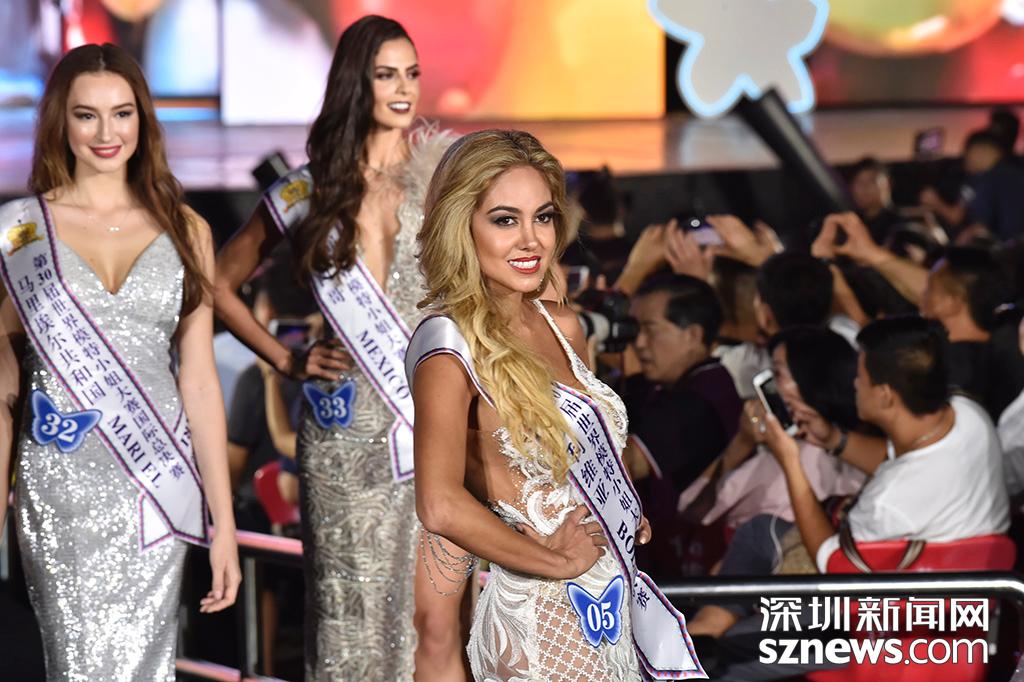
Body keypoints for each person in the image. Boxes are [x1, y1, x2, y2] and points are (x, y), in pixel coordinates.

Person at [212, 16, 463, 681]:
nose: (404, 88)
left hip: (426, 422)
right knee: (346, 617)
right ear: (357, 83)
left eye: (412, 73)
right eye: (386, 75)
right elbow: (217, 283)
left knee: (430, 621)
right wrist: (286, 359)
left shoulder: (443, 180)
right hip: (341, 431)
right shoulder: (307, 190)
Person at [407, 129, 704, 681]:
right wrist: (555, 560)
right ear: (461, 225)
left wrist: (618, 506)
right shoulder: (447, 345)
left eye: (542, 217)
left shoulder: (562, 325)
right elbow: (439, 504)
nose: (531, 241)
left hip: (611, 595)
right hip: (540, 618)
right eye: (505, 220)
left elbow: (583, 452)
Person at [0, 43, 239, 680]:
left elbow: (199, 382)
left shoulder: (187, 229)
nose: (107, 133)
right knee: (79, 663)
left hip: (157, 481)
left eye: (122, 113)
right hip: (62, 484)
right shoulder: (21, 230)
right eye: (87, 115)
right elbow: (3, 380)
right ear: (61, 122)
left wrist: (222, 523)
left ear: (143, 120)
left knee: (148, 664)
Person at [758, 317, 1008, 576]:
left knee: (758, 541)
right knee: (759, 531)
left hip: (910, 596)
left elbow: (830, 561)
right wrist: (833, 439)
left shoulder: (887, 502)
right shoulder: (970, 414)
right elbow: (901, 464)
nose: (854, 383)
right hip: (977, 580)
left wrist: (790, 462)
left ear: (885, 395)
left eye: (861, 376)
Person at [622, 273, 742, 578]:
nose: (638, 343)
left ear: (693, 335)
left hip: (688, 574)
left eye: (650, 330)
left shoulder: (705, 396)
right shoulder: (657, 387)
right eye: (636, 330)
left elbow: (622, 462)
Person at [848, 157, 900, 245]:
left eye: (872, 181)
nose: (865, 187)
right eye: (859, 182)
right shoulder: (848, 225)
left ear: (888, 184)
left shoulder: (903, 226)